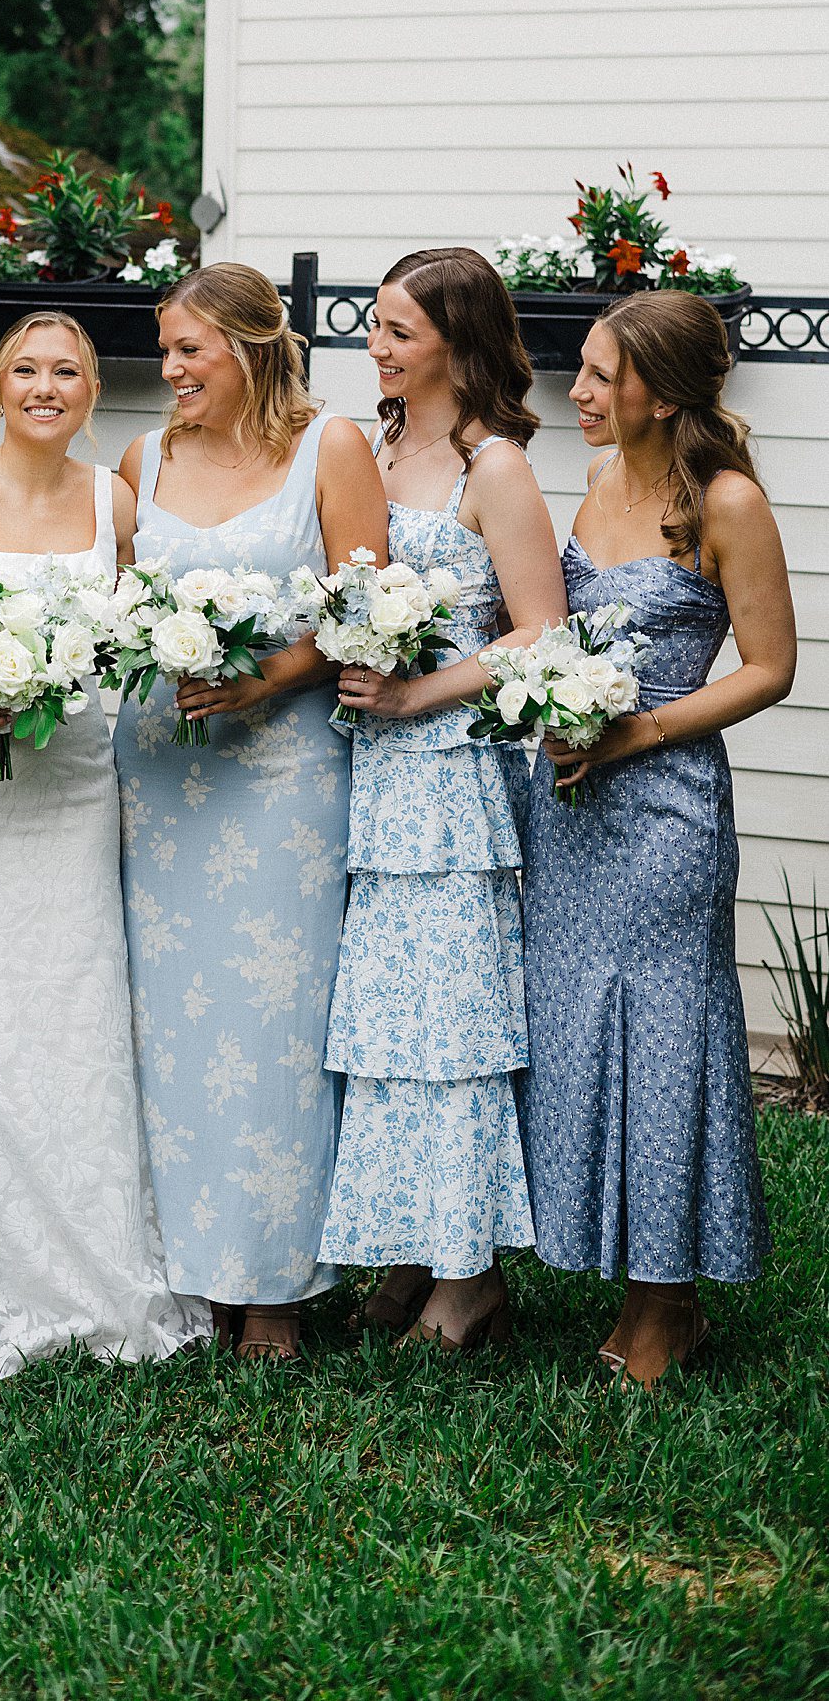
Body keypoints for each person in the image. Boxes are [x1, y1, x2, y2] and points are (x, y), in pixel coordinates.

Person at [0, 312, 207, 1378]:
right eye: (27, 369)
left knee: (75, 1008)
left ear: (92, 392)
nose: (47, 387)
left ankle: (97, 1268)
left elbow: (137, 634)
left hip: (70, 784)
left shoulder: (116, 504)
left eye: (67, 371)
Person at [519, 290, 795, 1388]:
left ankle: (666, 1300)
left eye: (600, 376)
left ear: (664, 393)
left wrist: (636, 732)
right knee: (582, 1026)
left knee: (665, 1033)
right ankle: (604, 1252)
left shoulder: (727, 502)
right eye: (579, 369)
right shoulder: (591, 483)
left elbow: (771, 669)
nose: (578, 393)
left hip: (666, 803)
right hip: (570, 802)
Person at [114, 262, 389, 1361]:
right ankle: (189, 1276)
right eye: (166, 350)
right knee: (171, 1022)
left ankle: (271, 1284)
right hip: (165, 775)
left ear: (252, 346)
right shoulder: (146, 458)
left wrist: (264, 678)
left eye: (190, 351)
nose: (170, 370)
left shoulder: (332, 449)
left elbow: (369, 608)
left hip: (284, 779)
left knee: (274, 1025)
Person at [320, 249, 568, 1350]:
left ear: (458, 345)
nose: (377, 346)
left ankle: (471, 1277)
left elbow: (538, 631)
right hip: (371, 773)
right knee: (391, 1021)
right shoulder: (377, 444)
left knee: (454, 1023)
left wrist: (420, 693)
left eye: (399, 331)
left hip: (453, 777)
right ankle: (417, 1246)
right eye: (375, 326)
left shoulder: (494, 465)